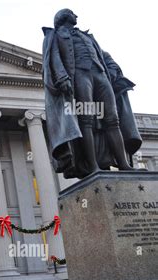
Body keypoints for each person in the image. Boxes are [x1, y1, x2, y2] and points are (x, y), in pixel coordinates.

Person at [42, 9, 141, 178]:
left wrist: (111, 70)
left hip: (100, 75)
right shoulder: (55, 35)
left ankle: (123, 163)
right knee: (86, 120)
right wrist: (62, 77)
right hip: (79, 76)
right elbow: (54, 58)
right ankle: (93, 166)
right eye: (73, 13)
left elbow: (103, 55)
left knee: (112, 119)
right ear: (64, 16)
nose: (76, 16)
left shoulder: (87, 36)